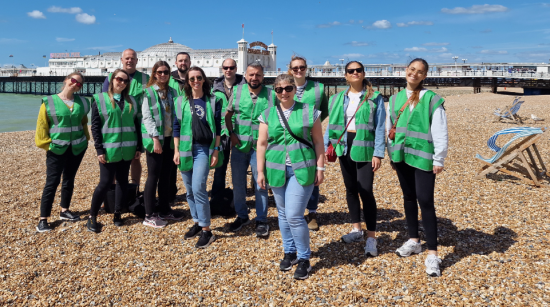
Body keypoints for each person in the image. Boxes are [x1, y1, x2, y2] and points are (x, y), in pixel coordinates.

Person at [256, 74, 325, 279]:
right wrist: (260, 172)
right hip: (276, 168)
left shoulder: (308, 111)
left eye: (288, 88)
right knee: (283, 215)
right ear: (275, 91)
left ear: (294, 89)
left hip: (302, 168)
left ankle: (305, 258)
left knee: (295, 215)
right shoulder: (267, 114)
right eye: (279, 89)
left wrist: (320, 169)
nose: (284, 92)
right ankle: (290, 252)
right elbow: (261, 144)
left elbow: (319, 142)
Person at [387, 58, 448, 277]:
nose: (414, 74)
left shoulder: (431, 99)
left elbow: (440, 130)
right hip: (401, 156)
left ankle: (432, 252)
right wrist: (391, 154)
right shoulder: (395, 99)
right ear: (406, 71)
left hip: (423, 157)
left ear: (424, 76)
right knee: (409, 198)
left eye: (419, 72)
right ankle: (414, 240)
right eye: (412, 69)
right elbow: (389, 127)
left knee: (426, 201)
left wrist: (439, 158)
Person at [324, 61, 386, 257]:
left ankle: (371, 236)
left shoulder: (374, 98)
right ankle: (356, 229)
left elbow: (380, 127)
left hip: (364, 145)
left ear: (363, 73)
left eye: (358, 70)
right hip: (343, 145)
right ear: (346, 75)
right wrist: (327, 146)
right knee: (350, 189)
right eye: (351, 71)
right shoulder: (336, 98)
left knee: (365, 190)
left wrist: (378, 153)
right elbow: (331, 125)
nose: (355, 73)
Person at [173, 67, 224, 248]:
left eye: (199, 77)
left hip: (203, 149)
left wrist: (216, 150)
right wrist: (176, 150)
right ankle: (197, 221)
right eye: (192, 78)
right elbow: (176, 127)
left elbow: (217, 128)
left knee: (199, 188)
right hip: (185, 149)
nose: (195, 81)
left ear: (204, 80)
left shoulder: (212, 100)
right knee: (189, 190)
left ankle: (206, 230)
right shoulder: (180, 102)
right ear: (187, 81)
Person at [87, 69, 141, 233]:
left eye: (125, 81)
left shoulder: (131, 101)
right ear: (112, 80)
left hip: (128, 149)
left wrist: (139, 147)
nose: (122, 83)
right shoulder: (100, 99)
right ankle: (92, 216)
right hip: (109, 150)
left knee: (123, 182)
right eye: (119, 79)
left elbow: (136, 125)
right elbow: (95, 127)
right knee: (105, 183)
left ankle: (117, 213)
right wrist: (99, 150)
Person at [35, 72, 91, 232]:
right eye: (74, 81)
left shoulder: (83, 102)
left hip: (77, 148)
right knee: (52, 183)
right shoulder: (49, 102)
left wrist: (86, 141)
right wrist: (47, 145)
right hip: (56, 149)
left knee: (69, 179)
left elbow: (83, 123)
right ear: (67, 80)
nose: (76, 84)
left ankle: (64, 210)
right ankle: (43, 219)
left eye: (80, 84)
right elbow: (42, 126)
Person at [224, 63, 273, 236]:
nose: (254, 78)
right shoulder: (237, 92)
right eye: (251, 74)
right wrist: (231, 134)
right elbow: (227, 116)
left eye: (258, 75)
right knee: (238, 184)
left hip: (261, 148)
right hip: (240, 147)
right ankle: (242, 216)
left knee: (261, 184)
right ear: (245, 76)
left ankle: (261, 220)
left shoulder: (271, 94)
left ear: (263, 76)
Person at [288, 55, 329, 231]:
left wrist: (314, 127)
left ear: (306, 69)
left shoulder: (318, 88)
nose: (298, 70)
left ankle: (312, 213)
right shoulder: (283, 87)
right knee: (288, 173)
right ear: (290, 70)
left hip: (310, 139)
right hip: (288, 138)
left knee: (311, 174)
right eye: (295, 68)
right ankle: (291, 212)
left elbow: (325, 110)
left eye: (302, 67)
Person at [141, 61, 184, 228]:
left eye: (166, 72)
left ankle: (165, 209)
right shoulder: (149, 93)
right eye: (159, 72)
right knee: (153, 176)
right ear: (154, 74)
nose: (163, 75)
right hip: (156, 139)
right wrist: (155, 139)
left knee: (166, 176)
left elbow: (177, 115)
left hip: (170, 139)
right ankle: (149, 214)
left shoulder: (173, 92)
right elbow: (147, 117)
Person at [103, 49, 149, 188]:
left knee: (136, 157)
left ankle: (134, 188)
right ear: (122, 60)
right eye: (127, 58)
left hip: (137, 124)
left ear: (137, 61)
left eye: (132, 58)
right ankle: (113, 190)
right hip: (114, 125)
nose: (130, 61)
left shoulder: (145, 78)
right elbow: (103, 100)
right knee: (113, 157)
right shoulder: (111, 76)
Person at [210, 58, 246, 212]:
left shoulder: (245, 86)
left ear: (236, 68)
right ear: (222, 69)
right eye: (226, 67)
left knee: (241, 169)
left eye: (231, 67)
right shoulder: (215, 88)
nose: (228, 70)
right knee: (220, 168)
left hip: (240, 133)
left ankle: (241, 200)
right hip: (222, 133)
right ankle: (217, 201)